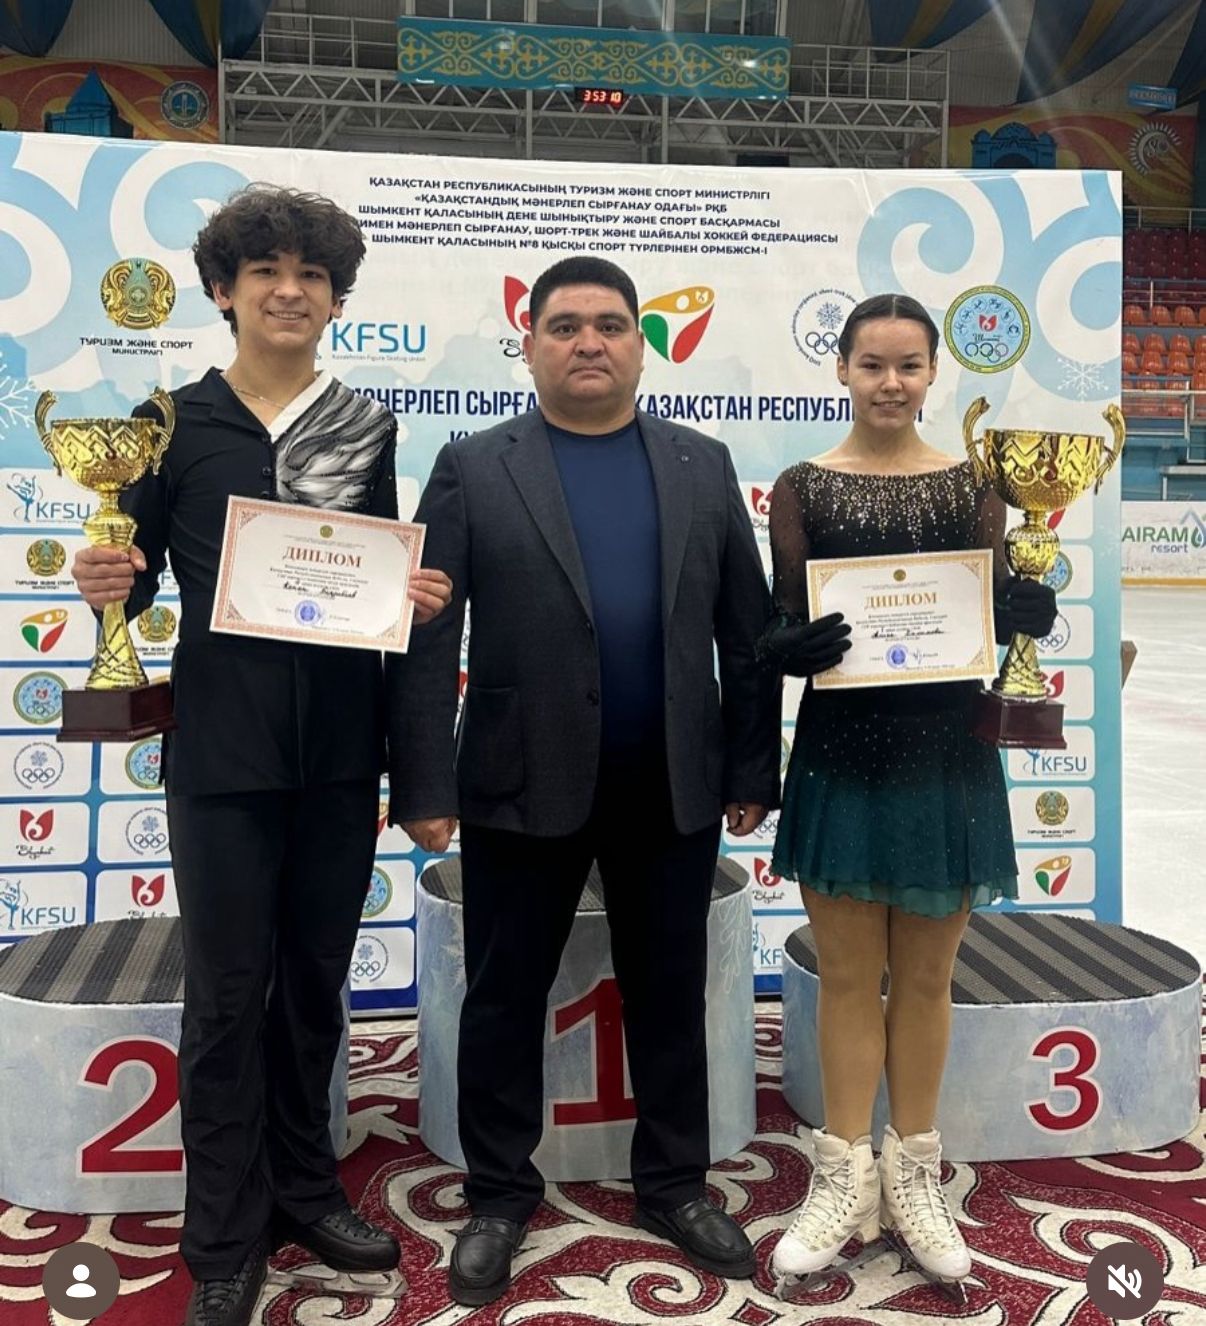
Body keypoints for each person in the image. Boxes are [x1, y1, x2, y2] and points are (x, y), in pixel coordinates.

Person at [70, 185, 452, 1326]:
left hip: (338, 752)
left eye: (312, 275)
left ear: (336, 299)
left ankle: (305, 1191)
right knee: (230, 998)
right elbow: (132, 574)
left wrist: (410, 597)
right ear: (224, 291)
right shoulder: (167, 421)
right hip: (223, 753)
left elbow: (373, 576)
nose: (290, 291)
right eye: (267, 272)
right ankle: (225, 1237)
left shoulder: (364, 425)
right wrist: (106, 582)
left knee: (315, 989)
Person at [388, 255, 781, 1306]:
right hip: (519, 779)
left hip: (672, 780)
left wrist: (753, 764)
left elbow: (744, 632)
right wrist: (422, 781)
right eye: (564, 326)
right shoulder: (473, 466)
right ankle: (497, 1196)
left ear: (642, 344)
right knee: (504, 996)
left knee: (669, 993)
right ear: (528, 345)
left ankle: (674, 1184)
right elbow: (427, 633)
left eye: (610, 324)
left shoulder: (703, 463)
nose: (589, 342)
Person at [761, 294, 1056, 1299]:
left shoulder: (978, 485)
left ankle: (915, 1171)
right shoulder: (801, 488)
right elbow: (780, 617)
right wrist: (784, 645)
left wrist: (1025, 613)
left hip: (945, 756)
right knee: (848, 980)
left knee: (927, 981)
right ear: (841, 370)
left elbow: (988, 617)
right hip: (842, 755)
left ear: (934, 374)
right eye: (872, 364)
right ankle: (841, 1173)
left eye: (909, 365)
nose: (891, 383)